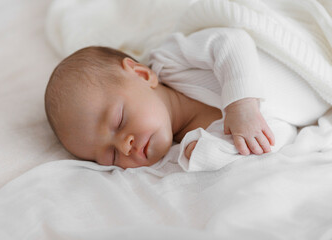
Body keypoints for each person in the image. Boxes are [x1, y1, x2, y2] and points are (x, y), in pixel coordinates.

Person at [45, 27, 330, 169]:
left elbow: (232, 41)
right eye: (110, 156)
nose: (125, 145)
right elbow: (273, 137)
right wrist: (209, 152)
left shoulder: (171, 61)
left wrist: (241, 103)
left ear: (142, 75)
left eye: (119, 120)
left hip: (308, 44)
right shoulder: (190, 146)